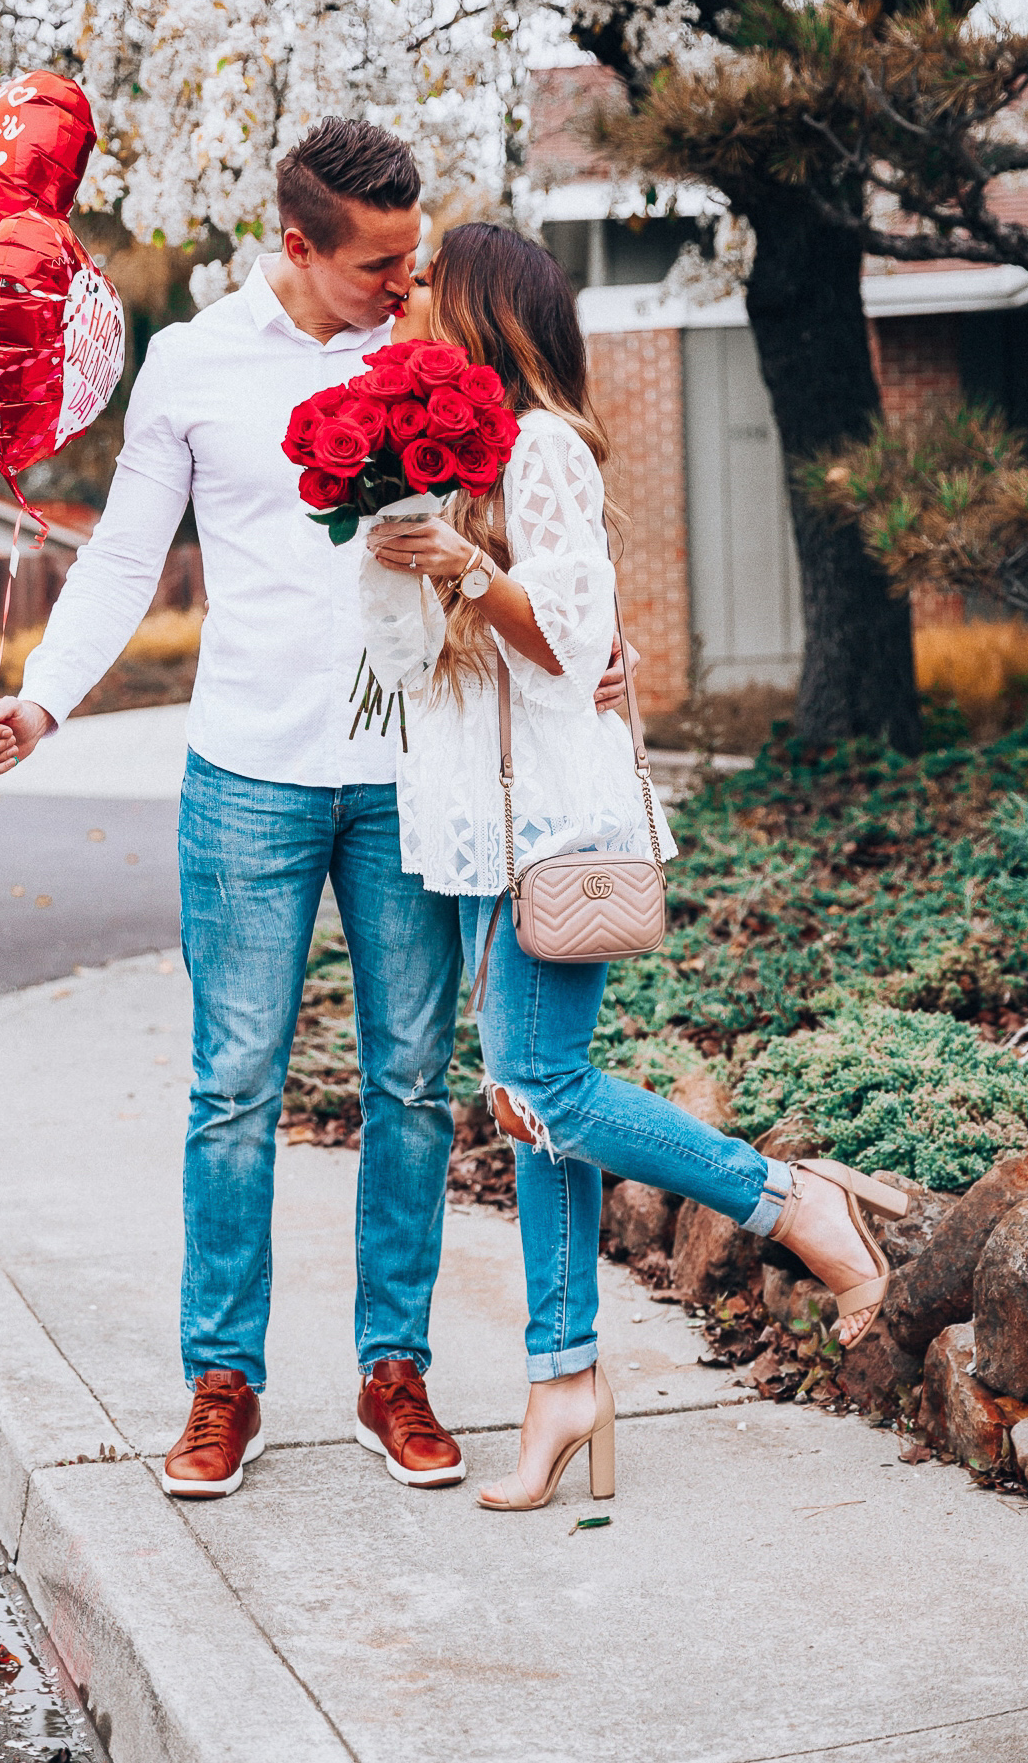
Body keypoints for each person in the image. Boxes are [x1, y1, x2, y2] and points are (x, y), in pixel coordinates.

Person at [0, 118, 633, 1502]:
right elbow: (127, 554)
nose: (406, 282)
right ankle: (224, 1382)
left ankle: (399, 1372)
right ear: (297, 246)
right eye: (379, 262)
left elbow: (528, 543)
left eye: (415, 256)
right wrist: (43, 700)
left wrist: (592, 657)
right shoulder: (197, 367)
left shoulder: (433, 358)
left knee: (406, 1086)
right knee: (233, 1089)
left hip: (413, 781)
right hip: (248, 778)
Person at [361, 222, 909, 1514]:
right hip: (482, 832)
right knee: (529, 1110)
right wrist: (401, 556)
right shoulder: (446, 465)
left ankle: (790, 1202)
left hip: (552, 820)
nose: (412, 303)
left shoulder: (540, 448)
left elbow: (569, 632)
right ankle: (563, 1383)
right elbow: (407, 668)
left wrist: (469, 569)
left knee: (543, 1082)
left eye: (432, 287)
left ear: (486, 313)